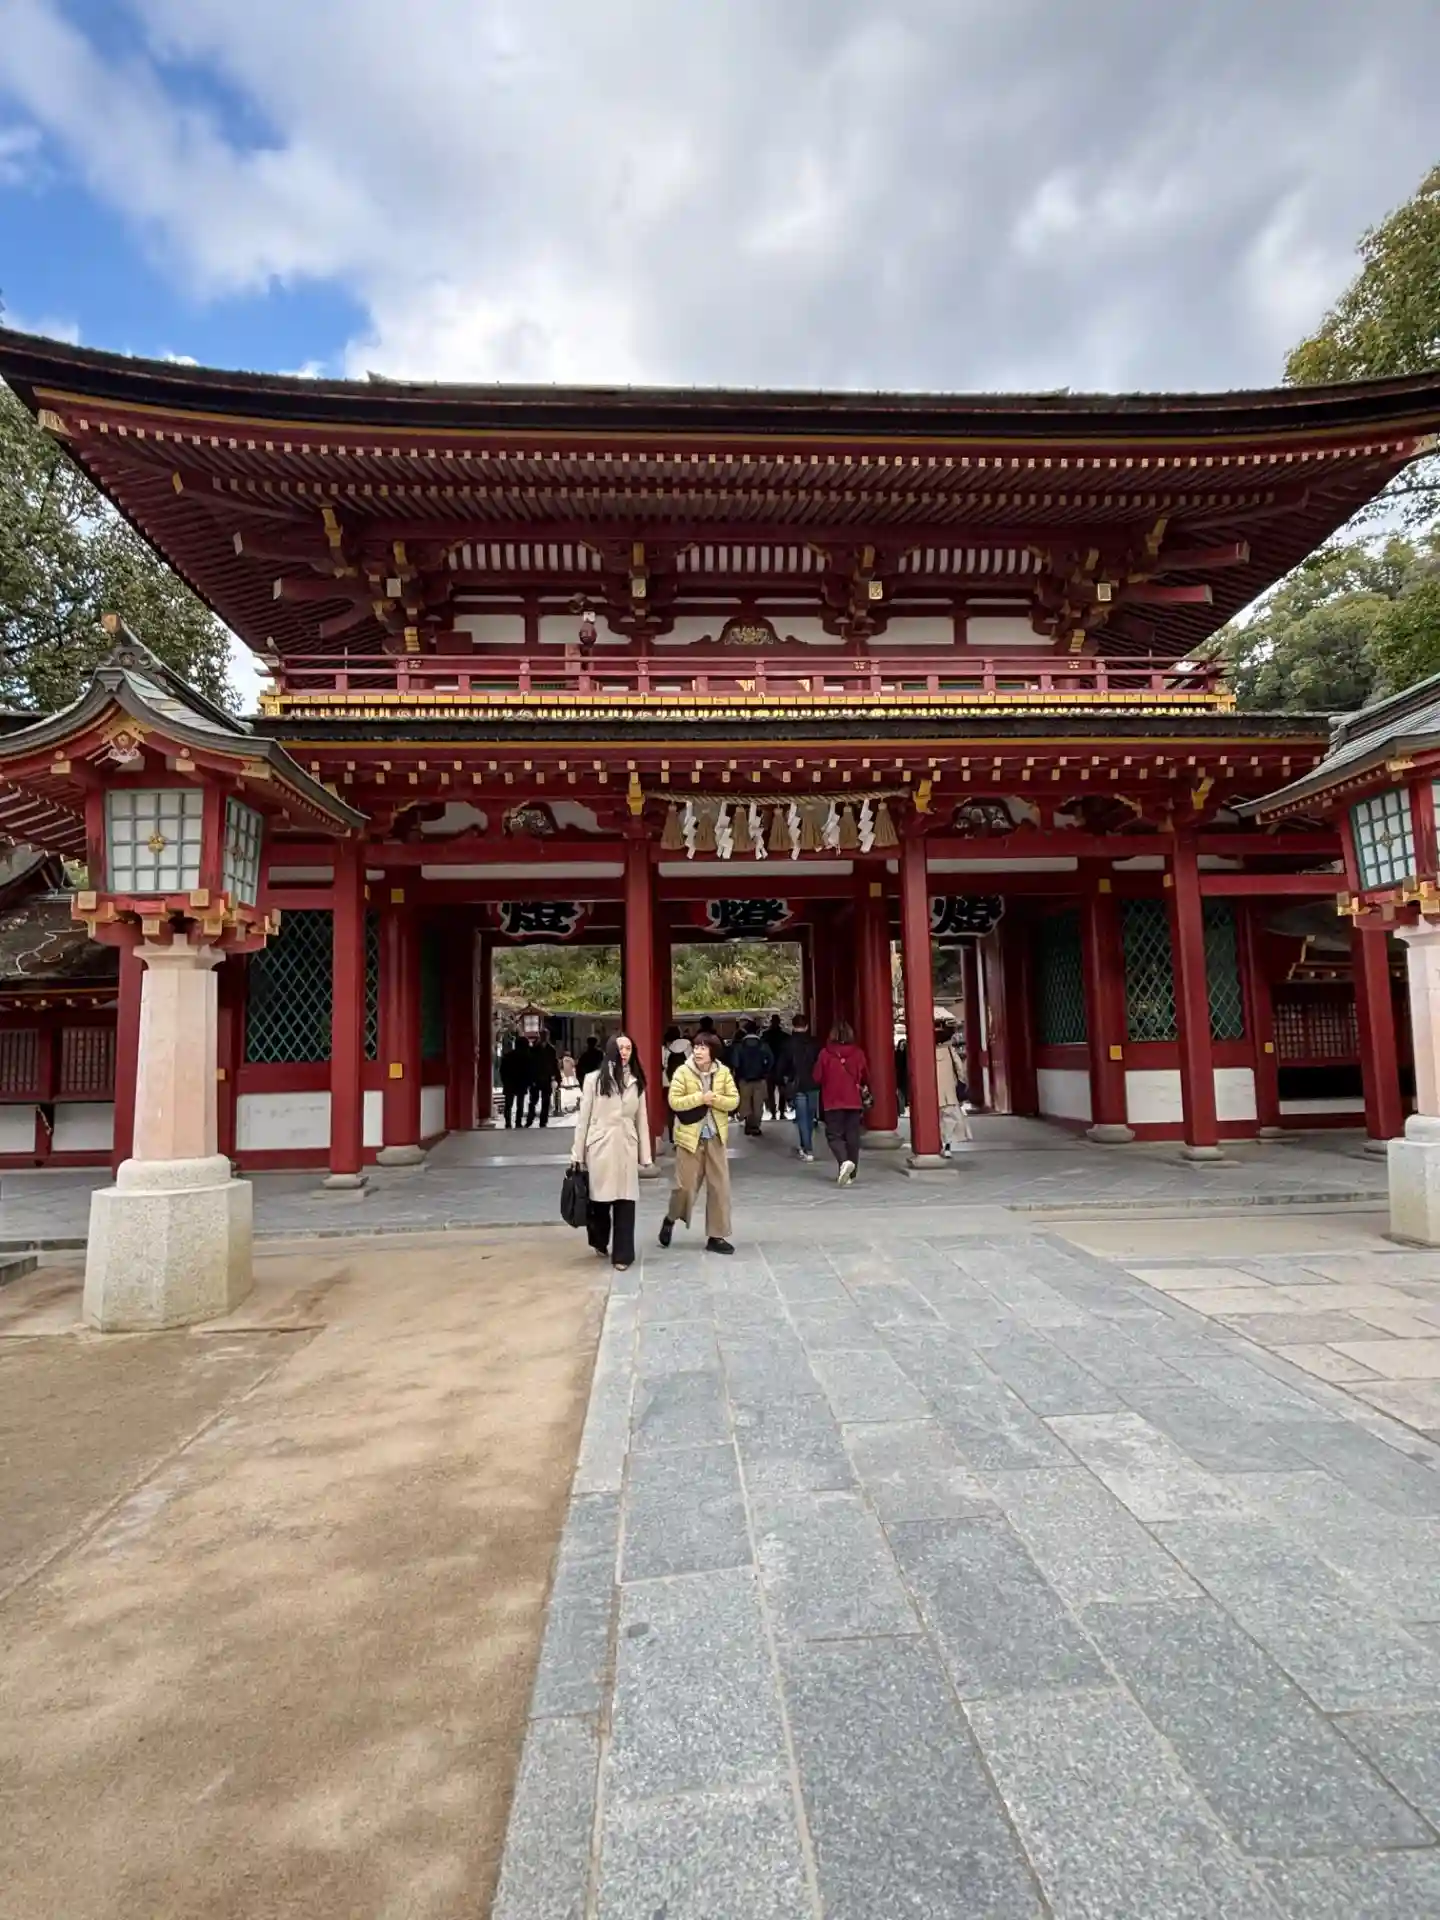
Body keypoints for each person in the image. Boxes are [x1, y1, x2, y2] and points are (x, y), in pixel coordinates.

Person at [572, 1034, 652, 1270]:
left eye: (629, 1048)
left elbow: (642, 1119)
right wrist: (577, 1154)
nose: (624, 1052)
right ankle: (599, 1240)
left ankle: (623, 1255)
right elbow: (583, 1119)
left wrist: (645, 1155)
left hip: (626, 1144)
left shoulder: (636, 1081)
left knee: (626, 1200)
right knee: (600, 1201)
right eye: (620, 1048)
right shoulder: (593, 1080)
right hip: (600, 1145)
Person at [659, 1033, 738, 1255]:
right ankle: (671, 1217)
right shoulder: (682, 1072)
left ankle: (716, 1236)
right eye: (696, 1047)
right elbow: (674, 1101)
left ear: (713, 1051)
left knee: (719, 1188)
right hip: (689, 1138)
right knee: (685, 1188)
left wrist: (715, 1100)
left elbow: (734, 1100)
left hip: (715, 1136)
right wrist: (700, 1099)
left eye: (703, 1048)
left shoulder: (723, 1072)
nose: (698, 1051)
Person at [815, 1020, 870, 1186]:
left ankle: (844, 1161)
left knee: (834, 1135)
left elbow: (817, 1076)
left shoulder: (825, 1054)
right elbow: (865, 1075)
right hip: (853, 1099)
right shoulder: (858, 1053)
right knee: (852, 1135)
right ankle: (851, 1173)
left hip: (832, 1100)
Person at [780, 1013, 822, 1161]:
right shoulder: (815, 1044)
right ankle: (807, 1145)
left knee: (802, 1118)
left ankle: (807, 1149)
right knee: (810, 1117)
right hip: (813, 1084)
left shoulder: (787, 1044)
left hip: (796, 1084)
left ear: (793, 1026)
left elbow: (782, 1065)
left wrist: (782, 1081)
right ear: (807, 1026)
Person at [731, 1019, 774, 1137]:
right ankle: (755, 1126)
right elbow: (771, 1060)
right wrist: (766, 1071)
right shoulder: (763, 1045)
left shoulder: (739, 1046)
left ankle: (748, 1124)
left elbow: (735, 1063)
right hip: (760, 1078)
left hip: (744, 1079)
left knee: (745, 1102)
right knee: (758, 1104)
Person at [935, 1022, 972, 1154]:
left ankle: (936, 1143)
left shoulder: (926, 1052)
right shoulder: (950, 1051)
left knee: (934, 1120)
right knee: (949, 1119)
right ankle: (947, 1144)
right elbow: (959, 1069)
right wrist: (961, 1082)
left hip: (932, 1092)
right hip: (948, 1092)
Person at [525, 1027, 561, 1129]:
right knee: (533, 1101)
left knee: (546, 1101)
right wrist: (530, 1078)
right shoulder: (533, 1048)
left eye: (546, 1035)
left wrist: (557, 1078)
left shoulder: (551, 1049)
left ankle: (543, 1121)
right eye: (542, 1035)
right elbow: (530, 1064)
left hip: (547, 1078)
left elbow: (555, 1064)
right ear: (540, 1036)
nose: (544, 1037)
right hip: (536, 1078)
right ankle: (530, 1119)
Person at [500, 1035, 530, 1129]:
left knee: (508, 1104)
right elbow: (529, 1071)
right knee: (520, 1104)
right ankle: (518, 1122)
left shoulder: (507, 1056)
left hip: (509, 1082)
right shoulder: (526, 1058)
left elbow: (502, 1071)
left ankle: (508, 1123)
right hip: (521, 1083)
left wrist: (505, 1081)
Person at [764, 1013, 787, 1119]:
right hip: (782, 1066)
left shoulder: (765, 1036)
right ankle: (782, 1111)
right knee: (782, 1090)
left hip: (769, 1067)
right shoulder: (784, 1036)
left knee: (770, 1091)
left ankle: (773, 1112)